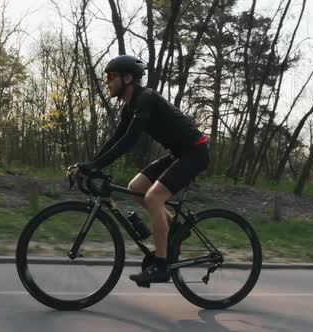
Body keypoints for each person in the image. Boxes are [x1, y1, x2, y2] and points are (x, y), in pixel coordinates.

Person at [68, 54, 210, 287]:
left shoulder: (146, 98)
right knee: (135, 188)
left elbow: (130, 141)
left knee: (154, 198)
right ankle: (175, 229)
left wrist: (94, 166)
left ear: (127, 78)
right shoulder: (130, 107)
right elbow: (115, 139)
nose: (107, 82)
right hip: (178, 153)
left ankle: (162, 265)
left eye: (111, 77)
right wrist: (89, 164)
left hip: (195, 152)